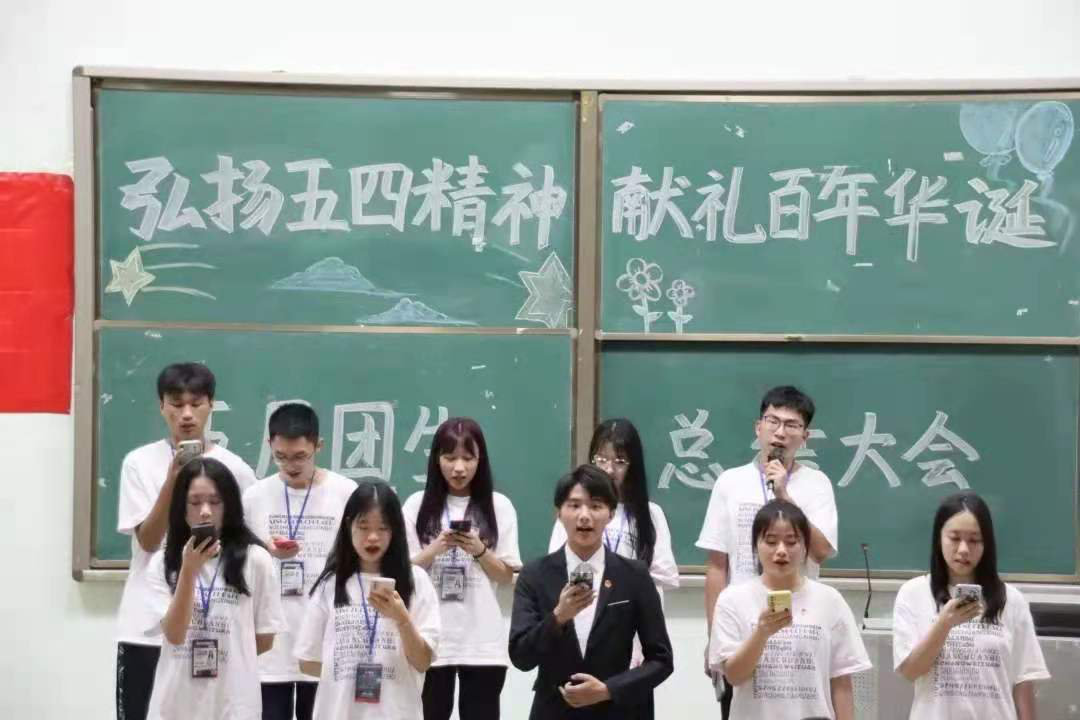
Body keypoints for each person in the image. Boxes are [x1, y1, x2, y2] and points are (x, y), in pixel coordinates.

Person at [116, 362, 258, 720]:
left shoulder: (236, 469)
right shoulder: (139, 463)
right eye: (176, 404)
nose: (187, 414)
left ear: (211, 405)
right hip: (147, 625)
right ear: (161, 406)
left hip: (213, 627)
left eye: (196, 403)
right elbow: (148, 542)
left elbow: (244, 541)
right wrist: (173, 480)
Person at [696, 385, 838, 716]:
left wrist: (785, 495)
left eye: (792, 425)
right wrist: (714, 636)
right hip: (741, 624)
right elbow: (717, 566)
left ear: (805, 437)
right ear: (758, 427)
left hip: (800, 626)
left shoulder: (817, 484)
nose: (780, 432)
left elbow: (820, 552)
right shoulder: (730, 482)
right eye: (773, 421)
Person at [509, 465, 673, 720]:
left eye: (596, 506)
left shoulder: (634, 575)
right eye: (574, 506)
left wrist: (608, 690)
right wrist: (558, 618)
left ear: (611, 514)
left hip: (617, 711)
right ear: (558, 512)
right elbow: (521, 657)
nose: (584, 516)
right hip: (554, 710)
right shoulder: (535, 575)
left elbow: (661, 660)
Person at [144, 458, 287, 719]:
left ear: (229, 505)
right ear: (181, 508)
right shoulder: (162, 563)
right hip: (176, 705)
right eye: (195, 502)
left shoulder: (255, 559)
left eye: (215, 502)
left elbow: (265, 638)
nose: (205, 511)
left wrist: (229, 653)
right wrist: (189, 570)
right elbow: (174, 635)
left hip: (234, 704)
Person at [242, 403, 358, 720]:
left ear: (318, 446)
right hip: (271, 643)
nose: (290, 466)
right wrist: (265, 549)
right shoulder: (254, 497)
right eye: (280, 456)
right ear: (269, 445)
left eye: (300, 457)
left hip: (323, 636)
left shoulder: (346, 493)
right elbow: (238, 561)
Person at [402, 418, 521, 720]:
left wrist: (479, 550)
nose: (459, 468)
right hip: (429, 639)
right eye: (450, 457)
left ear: (481, 460)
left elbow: (507, 576)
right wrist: (435, 549)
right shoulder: (416, 505)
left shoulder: (499, 506)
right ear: (436, 459)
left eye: (468, 458)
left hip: (482, 643)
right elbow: (404, 573)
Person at [892, 491, 1050, 719]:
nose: (964, 549)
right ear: (939, 538)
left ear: (987, 544)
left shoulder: (1011, 599)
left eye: (974, 540)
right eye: (955, 538)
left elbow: (1023, 680)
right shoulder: (914, 593)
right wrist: (944, 624)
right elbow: (910, 671)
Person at [709, 499, 870, 720]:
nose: (781, 551)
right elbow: (734, 676)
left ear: (805, 548)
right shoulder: (733, 599)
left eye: (791, 541)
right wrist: (761, 634)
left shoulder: (830, 600)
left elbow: (841, 681)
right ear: (756, 546)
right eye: (771, 541)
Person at [295, 481, 440, 720]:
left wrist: (402, 620)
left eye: (382, 528)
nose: (372, 537)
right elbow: (307, 661)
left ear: (395, 531)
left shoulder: (416, 581)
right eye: (363, 527)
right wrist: (347, 671)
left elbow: (422, 661)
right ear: (348, 526)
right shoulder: (330, 584)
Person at [548, 419, 678, 593]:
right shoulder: (575, 511)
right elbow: (558, 568)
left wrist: (620, 581)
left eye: (620, 461)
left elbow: (664, 575)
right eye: (602, 459)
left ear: (633, 465)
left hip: (635, 605)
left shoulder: (650, 513)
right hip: (587, 603)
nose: (609, 469)